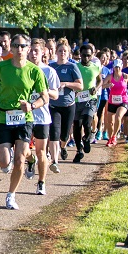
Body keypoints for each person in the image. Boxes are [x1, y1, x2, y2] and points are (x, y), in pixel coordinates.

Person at [0, 34, 48, 210]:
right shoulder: (2, 67)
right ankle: (31, 158)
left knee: (19, 160)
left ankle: (11, 195)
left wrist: (32, 105)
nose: (19, 49)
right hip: (4, 116)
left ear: (28, 48)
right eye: (16, 46)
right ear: (11, 48)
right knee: (4, 162)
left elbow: (44, 97)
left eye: (23, 46)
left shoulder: (35, 71)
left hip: (24, 118)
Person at [27, 38, 59, 195]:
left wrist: (44, 91)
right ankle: (30, 161)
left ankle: (41, 183)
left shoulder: (49, 71)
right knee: (23, 149)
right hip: (24, 117)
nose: (33, 54)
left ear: (43, 53)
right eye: (31, 50)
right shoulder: (22, 69)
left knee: (41, 152)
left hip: (42, 117)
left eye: (36, 51)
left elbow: (56, 94)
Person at [50, 41, 82, 171]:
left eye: (65, 51)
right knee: (55, 133)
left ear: (68, 53)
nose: (62, 53)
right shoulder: (51, 67)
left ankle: (63, 146)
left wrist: (66, 83)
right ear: (56, 52)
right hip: (54, 105)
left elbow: (80, 86)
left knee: (64, 135)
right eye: (60, 51)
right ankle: (54, 161)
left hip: (68, 105)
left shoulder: (72, 67)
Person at [72, 45, 103, 161]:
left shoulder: (95, 67)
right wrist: (73, 91)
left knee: (87, 121)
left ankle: (86, 138)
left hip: (91, 98)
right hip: (77, 99)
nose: (86, 58)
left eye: (88, 55)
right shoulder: (75, 67)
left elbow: (100, 80)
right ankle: (79, 150)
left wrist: (96, 87)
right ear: (80, 54)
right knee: (77, 126)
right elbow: (71, 81)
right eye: (84, 55)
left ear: (92, 55)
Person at [101, 59, 128, 147]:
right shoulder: (109, 76)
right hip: (112, 101)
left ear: (121, 67)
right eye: (116, 67)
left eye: (119, 67)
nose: (117, 69)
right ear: (113, 67)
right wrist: (107, 85)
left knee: (118, 117)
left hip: (124, 101)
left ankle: (114, 136)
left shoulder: (125, 76)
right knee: (110, 122)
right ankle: (110, 138)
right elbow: (102, 86)